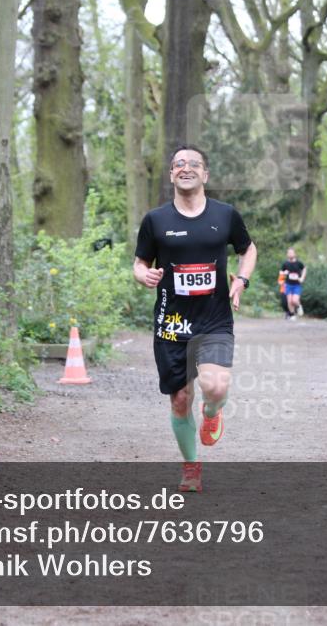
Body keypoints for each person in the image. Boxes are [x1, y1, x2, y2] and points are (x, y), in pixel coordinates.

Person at [133, 145, 258, 491]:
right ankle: (191, 468)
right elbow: (140, 262)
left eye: (194, 164)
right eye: (178, 164)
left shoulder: (225, 215)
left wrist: (242, 280)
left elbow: (248, 249)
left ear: (205, 175)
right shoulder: (156, 221)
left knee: (215, 386)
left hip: (214, 318)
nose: (186, 168)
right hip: (171, 323)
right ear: (172, 174)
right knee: (180, 399)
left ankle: (212, 413)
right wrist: (142, 275)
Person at [279, 247, 306, 320]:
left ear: (295, 254)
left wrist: (302, 278)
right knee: (289, 301)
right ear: (287, 254)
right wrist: (284, 274)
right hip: (288, 284)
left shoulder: (299, 263)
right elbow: (281, 273)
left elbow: (304, 269)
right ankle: (292, 315)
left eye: (291, 253)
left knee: (294, 300)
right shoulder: (285, 264)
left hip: (296, 285)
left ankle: (299, 306)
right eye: (289, 253)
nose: (290, 254)